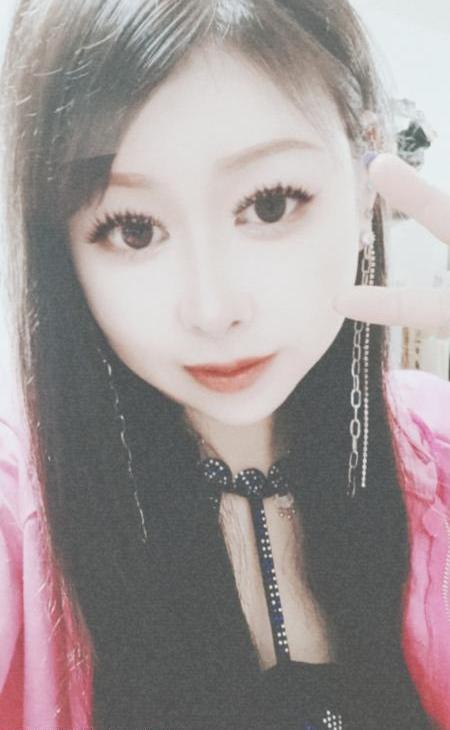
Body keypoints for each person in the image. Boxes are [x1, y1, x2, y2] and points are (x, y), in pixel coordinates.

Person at [0, 1, 449, 728]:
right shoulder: (21, 512)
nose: (212, 310)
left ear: (367, 171)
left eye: (269, 205)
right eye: (133, 228)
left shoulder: (437, 452)